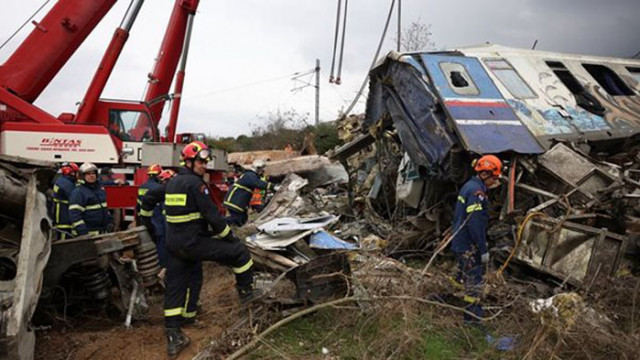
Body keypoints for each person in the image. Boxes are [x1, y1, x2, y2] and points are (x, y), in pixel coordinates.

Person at [162, 141, 260, 358]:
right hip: (193, 243)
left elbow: (152, 204)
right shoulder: (196, 185)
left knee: (176, 285)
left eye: (205, 162)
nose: (203, 165)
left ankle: (174, 335)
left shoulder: (172, 183)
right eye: (199, 161)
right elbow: (212, 216)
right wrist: (230, 237)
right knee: (240, 253)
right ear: (188, 161)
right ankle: (247, 297)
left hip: (175, 245)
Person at [141, 169, 204, 328]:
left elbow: (145, 210)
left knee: (176, 281)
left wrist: (149, 228)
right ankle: (188, 314)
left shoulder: (160, 195)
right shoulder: (178, 195)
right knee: (192, 278)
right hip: (183, 243)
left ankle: (177, 318)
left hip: (168, 241)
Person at [450, 155, 502, 323]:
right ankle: (472, 321)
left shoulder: (469, 186)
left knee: (460, 277)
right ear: (485, 174)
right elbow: (475, 223)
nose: (494, 182)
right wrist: (482, 248)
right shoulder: (476, 192)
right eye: (493, 178)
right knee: (474, 283)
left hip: (460, 240)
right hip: (468, 245)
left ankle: (444, 300)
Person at [223, 159, 278, 226]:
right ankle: (220, 223)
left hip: (237, 201)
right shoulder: (250, 175)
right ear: (257, 168)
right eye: (261, 169)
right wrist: (272, 186)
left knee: (243, 218)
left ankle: (234, 228)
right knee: (236, 218)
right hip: (235, 201)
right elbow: (258, 183)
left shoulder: (250, 175)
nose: (262, 171)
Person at [69, 162, 113, 236]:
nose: (92, 176)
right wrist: (83, 233)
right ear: (82, 176)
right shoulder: (79, 192)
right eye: (88, 174)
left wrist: (110, 221)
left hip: (101, 232)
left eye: (93, 173)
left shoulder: (99, 190)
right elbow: (75, 215)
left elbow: (104, 209)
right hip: (87, 235)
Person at [137, 164, 165, 263]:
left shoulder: (142, 187)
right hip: (159, 221)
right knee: (161, 246)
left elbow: (139, 205)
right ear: (158, 175)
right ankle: (161, 266)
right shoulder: (160, 188)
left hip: (146, 220)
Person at [52, 162, 79, 240]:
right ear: (71, 173)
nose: (77, 175)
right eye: (76, 172)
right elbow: (74, 197)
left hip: (63, 214)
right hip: (63, 215)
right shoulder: (65, 184)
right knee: (64, 237)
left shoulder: (64, 181)